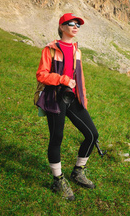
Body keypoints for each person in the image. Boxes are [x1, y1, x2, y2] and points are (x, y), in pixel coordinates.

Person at [35, 13, 99, 201]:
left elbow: (80, 77)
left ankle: (78, 171)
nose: (75, 26)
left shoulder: (77, 50)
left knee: (92, 134)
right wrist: (62, 79)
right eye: (70, 23)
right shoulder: (51, 49)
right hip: (54, 97)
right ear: (62, 27)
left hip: (73, 98)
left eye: (78, 24)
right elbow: (41, 75)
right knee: (57, 137)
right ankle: (58, 180)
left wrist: (83, 98)